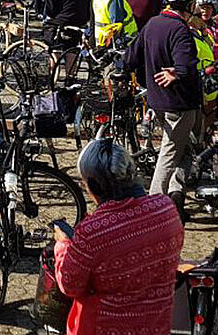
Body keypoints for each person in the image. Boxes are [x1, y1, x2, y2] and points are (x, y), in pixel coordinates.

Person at [53, 140, 184, 335]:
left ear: (95, 185)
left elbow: (69, 284)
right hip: (156, 325)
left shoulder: (93, 232)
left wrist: (63, 245)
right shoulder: (166, 209)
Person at [123, 0, 202, 214]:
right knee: (169, 153)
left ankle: (175, 195)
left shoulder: (152, 24)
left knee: (183, 150)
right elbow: (186, 66)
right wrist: (177, 72)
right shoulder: (180, 30)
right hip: (179, 103)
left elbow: (130, 57)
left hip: (157, 100)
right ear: (188, 6)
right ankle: (153, 204)